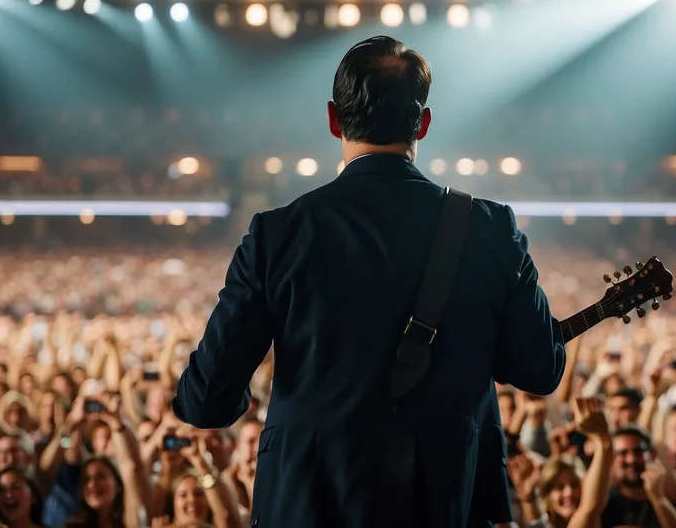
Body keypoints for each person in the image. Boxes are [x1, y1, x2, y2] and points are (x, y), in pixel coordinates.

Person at [173, 36, 567, 528]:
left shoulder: (279, 234)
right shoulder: (489, 227)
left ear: (334, 119)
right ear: (423, 122)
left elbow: (205, 399)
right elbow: (539, 369)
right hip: (444, 503)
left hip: (310, 504)